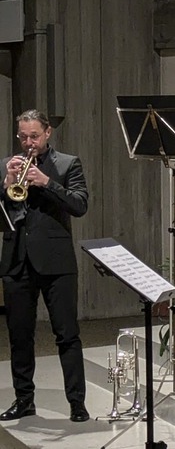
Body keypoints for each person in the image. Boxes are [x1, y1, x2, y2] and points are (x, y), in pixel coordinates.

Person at [0, 110, 90, 422]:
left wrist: (47, 182)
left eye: (34, 136)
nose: (28, 143)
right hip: (16, 260)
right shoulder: (7, 166)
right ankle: (24, 401)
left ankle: (77, 403)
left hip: (56, 262)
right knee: (19, 336)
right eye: (23, 137)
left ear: (47, 133)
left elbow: (80, 204)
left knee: (67, 334)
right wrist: (7, 182)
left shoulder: (67, 163)